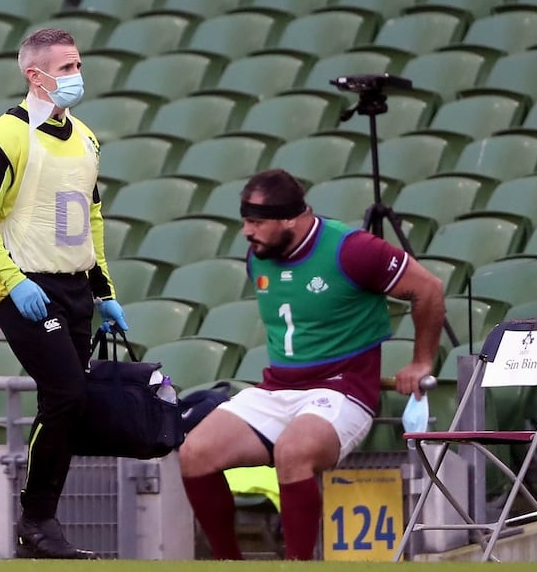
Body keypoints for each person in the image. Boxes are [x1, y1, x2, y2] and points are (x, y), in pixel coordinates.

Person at [178, 169, 445, 560]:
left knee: (293, 451)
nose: (246, 232)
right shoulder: (259, 255)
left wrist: (421, 361)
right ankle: (227, 564)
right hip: (278, 388)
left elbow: (429, 289)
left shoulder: (352, 249)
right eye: (245, 221)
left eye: (256, 222)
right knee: (195, 451)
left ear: (290, 218)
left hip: (342, 390)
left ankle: (298, 566)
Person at [0, 28, 127, 559]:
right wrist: (11, 279)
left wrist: (105, 292)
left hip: (76, 289)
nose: (77, 76)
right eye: (67, 67)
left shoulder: (87, 137)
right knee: (67, 395)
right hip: (26, 288)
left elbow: (91, 218)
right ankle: (38, 520)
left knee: (67, 405)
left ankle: (38, 527)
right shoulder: (2, 137)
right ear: (36, 75)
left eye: (78, 65)